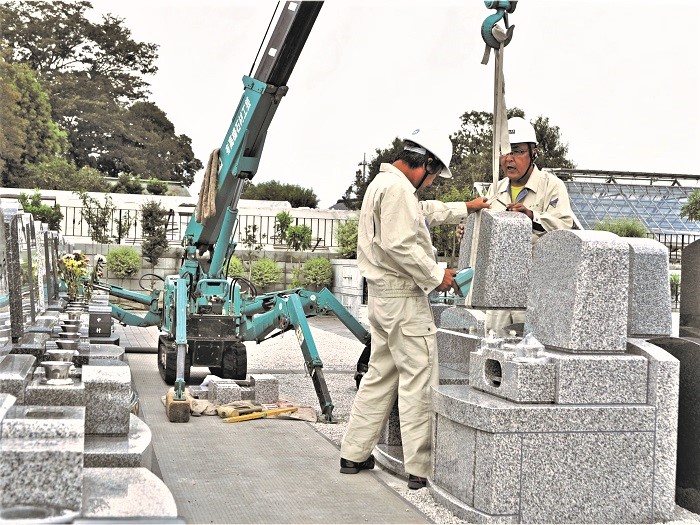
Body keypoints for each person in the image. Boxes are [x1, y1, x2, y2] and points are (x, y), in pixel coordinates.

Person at [339, 128, 490, 490]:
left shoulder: (383, 185)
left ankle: (353, 453)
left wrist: (464, 209)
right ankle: (419, 467)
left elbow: (420, 214)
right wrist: (438, 274)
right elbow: (400, 244)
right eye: (434, 175)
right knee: (418, 380)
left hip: (382, 300)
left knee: (380, 376)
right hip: (404, 301)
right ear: (424, 164)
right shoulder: (397, 190)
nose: (432, 183)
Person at [483, 116, 574, 332]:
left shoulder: (551, 186)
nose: (509, 159)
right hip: (499, 292)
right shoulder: (495, 190)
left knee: (531, 351)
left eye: (517, 151)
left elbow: (564, 227)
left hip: (535, 291)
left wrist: (532, 217)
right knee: (494, 348)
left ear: (534, 152)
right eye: (505, 152)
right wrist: (471, 231)